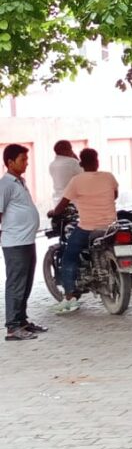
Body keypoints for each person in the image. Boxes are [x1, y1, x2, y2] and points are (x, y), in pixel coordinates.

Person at [50, 148, 119, 314]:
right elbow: (115, 195)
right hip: (111, 227)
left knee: (69, 256)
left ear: (81, 163)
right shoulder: (108, 177)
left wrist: (53, 212)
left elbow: (62, 205)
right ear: (97, 162)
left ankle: (69, 298)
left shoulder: (76, 181)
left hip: (88, 227)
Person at [1, 144, 45, 341]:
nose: (26, 163)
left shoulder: (20, 182)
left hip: (27, 240)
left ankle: (22, 321)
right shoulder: (5, 185)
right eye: (23, 160)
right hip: (15, 243)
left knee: (26, 283)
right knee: (16, 284)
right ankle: (12, 327)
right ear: (10, 162)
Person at [49, 140, 82, 205]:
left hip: (57, 202)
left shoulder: (52, 164)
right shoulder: (73, 163)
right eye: (70, 149)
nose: (72, 151)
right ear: (65, 151)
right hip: (72, 203)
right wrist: (76, 159)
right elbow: (86, 175)